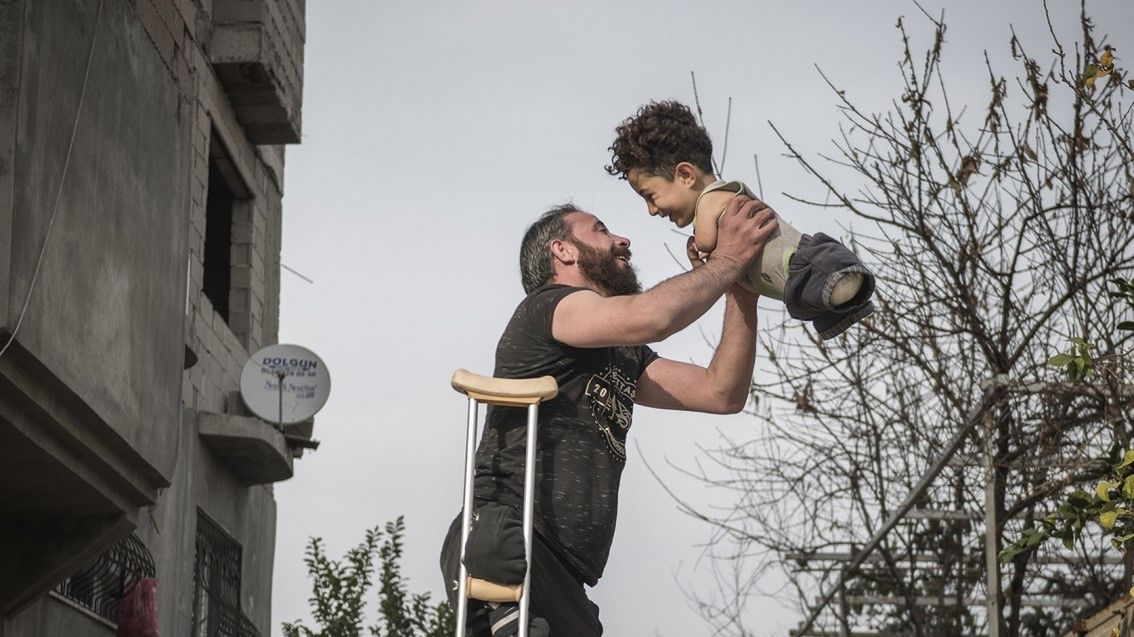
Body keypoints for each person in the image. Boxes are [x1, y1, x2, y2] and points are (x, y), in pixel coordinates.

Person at [440, 197, 777, 636]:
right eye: (601, 230)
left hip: (565, 571)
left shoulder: (622, 352)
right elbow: (654, 316)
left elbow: (721, 391)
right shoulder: (550, 308)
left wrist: (741, 292)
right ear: (563, 251)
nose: (623, 239)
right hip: (510, 540)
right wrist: (729, 259)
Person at [607, 100, 876, 339]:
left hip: (802, 263)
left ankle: (842, 283)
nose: (652, 210)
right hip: (794, 282)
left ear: (686, 175)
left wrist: (699, 252)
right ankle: (845, 298)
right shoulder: (729, 198)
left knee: (818, 278)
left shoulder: (712, 199)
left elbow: (706, 242)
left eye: (650, 195)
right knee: (821, 301)